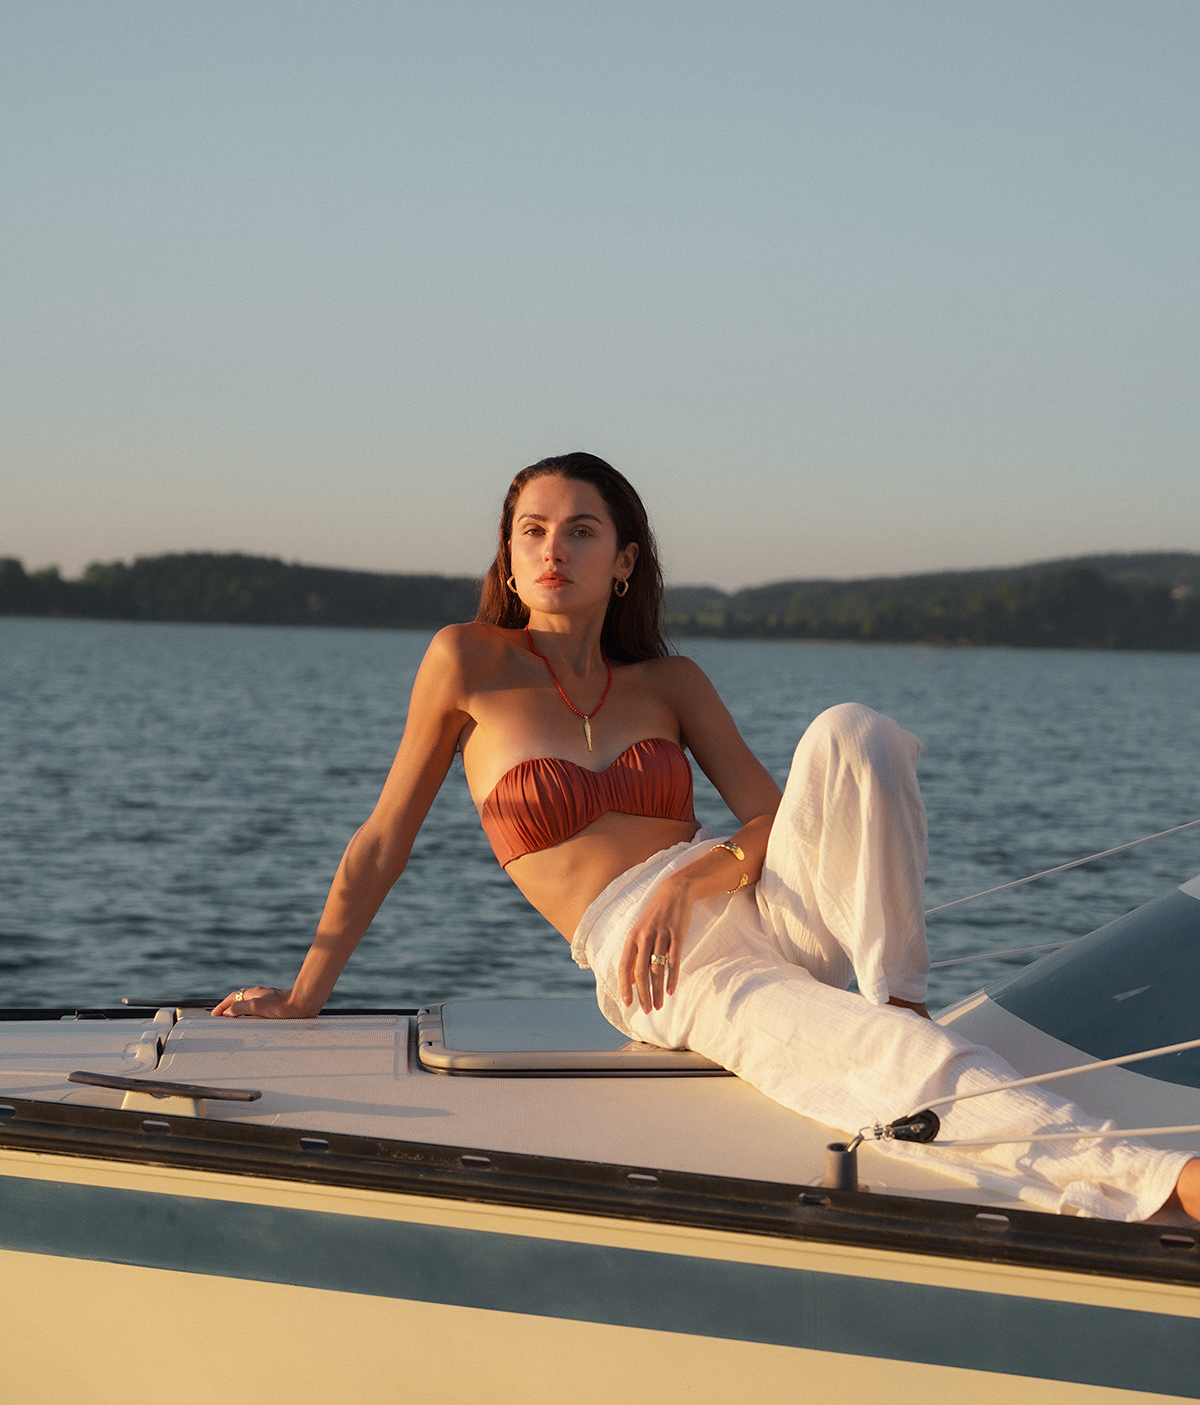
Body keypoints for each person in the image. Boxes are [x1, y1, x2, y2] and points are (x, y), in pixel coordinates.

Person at [214, 452, 1200, 1223]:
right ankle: (1165, 1180)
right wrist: (307, 996)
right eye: (532, 531)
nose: (554, 548)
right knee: (887, 1055)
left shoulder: (670, 683)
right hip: (651, 952)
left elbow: (775, 818)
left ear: (625, 560)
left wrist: (699, 879)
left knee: (857, 732)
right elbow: (384, 839)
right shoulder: (466, 662)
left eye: (582, 530)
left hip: (745, 896)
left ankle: (900, 997)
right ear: (508, 559)